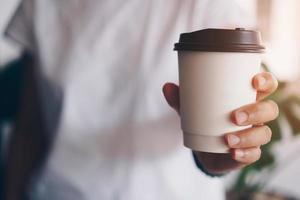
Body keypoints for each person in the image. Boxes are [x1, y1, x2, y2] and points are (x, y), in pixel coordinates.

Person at [3, 0, 279, 200]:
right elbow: (30, 123)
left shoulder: (209, 5)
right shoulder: (41, 5)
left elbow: (223, 123)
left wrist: (219, 152)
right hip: (59, 191)